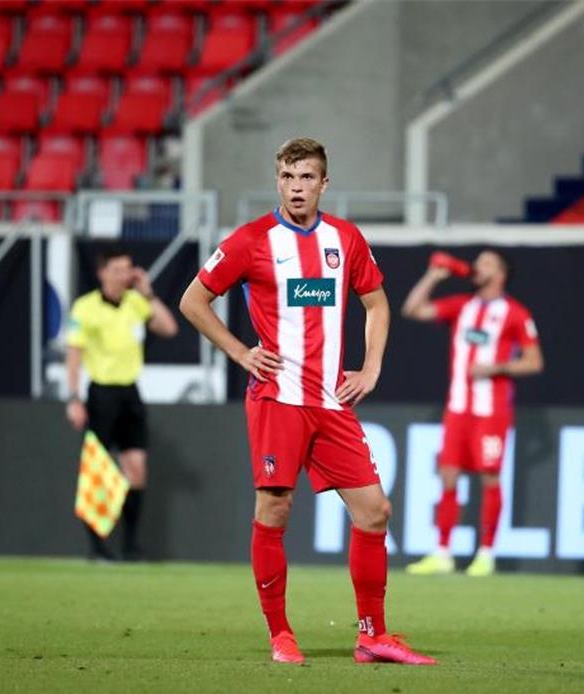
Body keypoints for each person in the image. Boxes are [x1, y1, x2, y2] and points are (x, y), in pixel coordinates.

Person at [178, 137, 435, 666]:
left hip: (331, 400)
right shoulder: (251, 241)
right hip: (278, 398)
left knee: (374, 512)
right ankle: (280, 635)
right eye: (288, 178)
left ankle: (372, 635)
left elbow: (377, 304)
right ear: (278, 181)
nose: (297, 188)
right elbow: (192, 300)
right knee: (274, 508)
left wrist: (372, 367)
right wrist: (240, 352)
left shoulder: (345, 238)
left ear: (324, 183)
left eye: (307, 178)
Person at [401, 249, 544, 576]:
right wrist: (433, 277)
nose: (478, 267)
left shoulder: (515, 313)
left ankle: (486, 553)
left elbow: (535, 362)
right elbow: (412, 309)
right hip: (458, 408)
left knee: (490, 476)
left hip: (491, 411)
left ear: (501, 274)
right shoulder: (463, 306)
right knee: (449, 476)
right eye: (478, 262)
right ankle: (443, 552)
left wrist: (497, 367)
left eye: (487, 263)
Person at [65, 250, 179, 561]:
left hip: (130, 393)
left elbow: (169, 328)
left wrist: (148, 292)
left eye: (127, 269)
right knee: (98, 473)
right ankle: (97, 547)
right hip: (101, 394)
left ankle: (130, 545)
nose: (123, 275)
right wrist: (74, 398)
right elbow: (74, 357)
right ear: (102, 273)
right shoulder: (85, 307)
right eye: (116, 269)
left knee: (137, 470)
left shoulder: (135, 302)